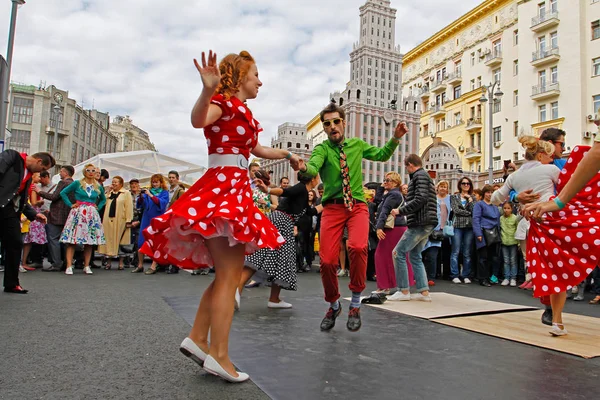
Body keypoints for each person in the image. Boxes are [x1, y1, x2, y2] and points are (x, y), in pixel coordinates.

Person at [140, 50, 302, 382]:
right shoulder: (223, 103)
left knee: (225, 276)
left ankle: (199, 338)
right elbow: (199, 120)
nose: (260, 80)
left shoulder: (245, 113)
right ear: (240, 76)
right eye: (256, 73)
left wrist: (289, 154)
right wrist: (207, 89)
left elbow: (259, 150)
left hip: (233, 189)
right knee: (229, 278)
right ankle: (220, 356)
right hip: (224, 188)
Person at [299, 102, 408, 332]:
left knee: (358, 247)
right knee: (327, 261)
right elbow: (312, 167)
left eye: (336, 121)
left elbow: (381, 155)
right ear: (324, 128)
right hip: (332, 209)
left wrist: (395, 138)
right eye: (327, 124)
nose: (332, 127)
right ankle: (334, 304)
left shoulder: (356, 145)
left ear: (343, 123)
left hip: (357, 206)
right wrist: (303, 169)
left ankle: (355, 303)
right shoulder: (322, 150)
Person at [498, 137, 599, 335]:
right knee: (556, 269)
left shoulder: (558, 164)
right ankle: (554, 316)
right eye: (560, 143)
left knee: (557, 268)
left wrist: (515, 196)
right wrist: (516, 197)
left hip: (558, 220)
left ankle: (555, 317)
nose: (562, 147)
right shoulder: (554, 166)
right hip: (556, 221)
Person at [239, 172, 322, 309]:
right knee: (262, 257)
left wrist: (327, 202)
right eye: (317, 176)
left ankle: (274, 298)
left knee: (280, 261)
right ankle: (237, 290)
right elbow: (285, 191)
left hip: (283, 223)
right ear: (313, 179)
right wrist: (268, 190)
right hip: (281, 222)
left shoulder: (303, 193)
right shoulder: (301, 188)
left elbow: (310, 212)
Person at [0, 151, 53, 293]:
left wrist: (34, 214)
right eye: (43, 169)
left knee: (15, 242)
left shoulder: (29, 176)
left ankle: (11, 284)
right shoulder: (12, 156)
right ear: (39, 161)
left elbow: (22, 200)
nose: (41, 173)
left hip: (9, 210)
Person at [388, 154, 438, 301]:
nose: (407, 170)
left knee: (398, 252)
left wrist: (400, 210)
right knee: (415, 255)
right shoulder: (424, 176)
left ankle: (403, 291)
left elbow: (420, 198)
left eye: (406, 167)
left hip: (420, 222)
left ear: (410, 164)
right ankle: (424, 292)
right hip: (426, 222)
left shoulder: (419, 176)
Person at [59, 164, 107, 275]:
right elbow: (63, 193)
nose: (91, 172)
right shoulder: (77, 183)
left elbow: (103, 200)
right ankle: (69, 265)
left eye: (93, 171)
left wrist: (97, 207)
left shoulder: (98, 186)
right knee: (73, 240)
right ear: (84, 172)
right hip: (79, 212)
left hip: (91, 213)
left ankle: (86, 265)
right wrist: (70, 204)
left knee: (89, 241)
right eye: (88, 170)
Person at [373, 172, 408, 295]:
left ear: (395, 182)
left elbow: (384, 211)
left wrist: (379, 227)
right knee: (392, 256)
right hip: (397, 228)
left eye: (387, 180)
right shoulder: (394, 194)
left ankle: (383, 287)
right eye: (384, 179)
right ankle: (388, 286)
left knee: (381, 256)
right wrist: (381, 188)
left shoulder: (393, 195)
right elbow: (377, 201)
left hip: (393, 228)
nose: (385, 182)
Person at [36, 165, 75, 272]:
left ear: (66, 173)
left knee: (53, 239)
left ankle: (56, 263)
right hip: (68, 215)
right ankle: (67, 263)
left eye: (61, 171)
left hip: (57, 214)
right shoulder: (75, 184)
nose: (60, 173)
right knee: (66, 241)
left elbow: (54, 197)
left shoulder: (63, 183)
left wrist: (40, 192)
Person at [133, 174, 169, 275]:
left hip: (157, 219)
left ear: (161, 183)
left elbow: (161, 204)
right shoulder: (148, 192)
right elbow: (140, 205)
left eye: (156, 182)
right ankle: (140, 265)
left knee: (155, 242)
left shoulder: (164, 193)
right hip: (146, 218)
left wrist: (150, 195)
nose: (154, 184)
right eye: (153, 182)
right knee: (141, 241)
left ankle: (153, 265)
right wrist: (140, 196)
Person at [98, 176, 133, 270]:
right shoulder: (110, 194)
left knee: (120, 241)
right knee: (108, 240)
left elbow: (129, 207)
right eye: (112, 182)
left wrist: (129, 220)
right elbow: (103, 202)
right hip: (108, 220)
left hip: (120, 220)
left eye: (116, 182)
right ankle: (108, 262)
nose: (113, 184)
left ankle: (121, 262)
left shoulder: (126, 193)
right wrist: (108, 192)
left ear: (121, 183)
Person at [449, 177, 476, 284]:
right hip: (457, 226)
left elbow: (474, 211)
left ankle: (465, 275)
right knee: (455, 251)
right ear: (460, 185)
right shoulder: (454, 197)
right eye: (463, 183)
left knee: (467, 252)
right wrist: (468, 212)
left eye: (468, 183)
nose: (466, 185)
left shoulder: (473, 197)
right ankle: (454, 274)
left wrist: (470, 200)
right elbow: (456, 210)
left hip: (469, 227)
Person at [473, 184, 501, 287]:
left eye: (491, 192)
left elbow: (498, 220)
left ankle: (488, 277)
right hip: (483, 233)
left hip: (494, 234)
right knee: (482, 257)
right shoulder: (479, 204)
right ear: (484, 194)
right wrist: (478, 234)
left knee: (491, 257)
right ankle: (482, 278)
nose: (490, 194)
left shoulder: (494, 206)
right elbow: (476, 219)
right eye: (488, 192)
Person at [21, 173, 47, 271]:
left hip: (29, 213)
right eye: (38, 176)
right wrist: (41, 202)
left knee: (26, 240)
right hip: (32, 213)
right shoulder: (33, 187)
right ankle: (23, 262)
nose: (39, 178)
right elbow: (33, 202)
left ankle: (24, 261)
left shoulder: (29, 187)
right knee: (28, 240)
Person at [499, 202, 518, 287]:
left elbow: (517, 230)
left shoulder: (515, 218)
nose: (506, 210)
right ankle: (506, 277)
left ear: (512, 209)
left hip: (513, 242)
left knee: (513, 261)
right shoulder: (501, 218)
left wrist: (519, 244)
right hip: (504, 242)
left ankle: (513, 278)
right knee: (506, 261)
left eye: (508, 208)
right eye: (505, 208)